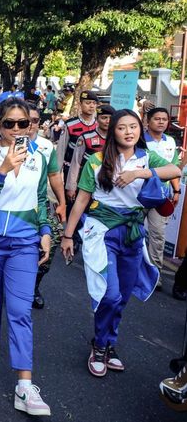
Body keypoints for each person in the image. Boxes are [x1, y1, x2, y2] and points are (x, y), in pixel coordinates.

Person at [61, 109, 180, 378]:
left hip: (133, 234)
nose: (129, 132)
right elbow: (81, 200)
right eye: (122, 127)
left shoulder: (146, 157)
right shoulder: (97, 160)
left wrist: (140, 174)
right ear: (113, 131)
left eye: (134, 127)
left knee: (123, 298)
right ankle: (100, 345)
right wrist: (68, 235)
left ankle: (108, 343)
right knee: (110, 294)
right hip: (102, 232)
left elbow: (174, 169)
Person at [0, 98, 53, 416]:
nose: (18, 130)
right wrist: (3, 169)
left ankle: (24, 385)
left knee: (20, 310)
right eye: (10, 124)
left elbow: (40, 196)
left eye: (24, 124)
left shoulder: (39, 156)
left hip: (23, 244)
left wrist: (45, 229)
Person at [27, 102, 67, 309]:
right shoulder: (2, 145)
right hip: (14, 208)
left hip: (41, 205)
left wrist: (62, 202)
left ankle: (34, 286)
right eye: (27, 120)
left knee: (49, 245)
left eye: (35, 121)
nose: (30, 125)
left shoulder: (46, 146)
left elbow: (54, 175)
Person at [143, 107, 180, 290]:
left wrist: (176, 190)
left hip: (161, 197)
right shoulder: (139, 139)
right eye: (157, 119)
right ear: (148, 121)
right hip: (138, 195)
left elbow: (173, 167)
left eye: (164, 119)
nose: (161, 122)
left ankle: (154, 275)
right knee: (132, 233)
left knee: (158, 236)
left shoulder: (171, 141)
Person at [65, 104, 113, 201]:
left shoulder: (117, 139)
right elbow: (76, 163)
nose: (108, 121)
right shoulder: (85, 138)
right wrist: (71, 186)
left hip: (108, 187)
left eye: (110, 118)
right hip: (85, 184)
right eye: (104, 118)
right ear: (97, 118)